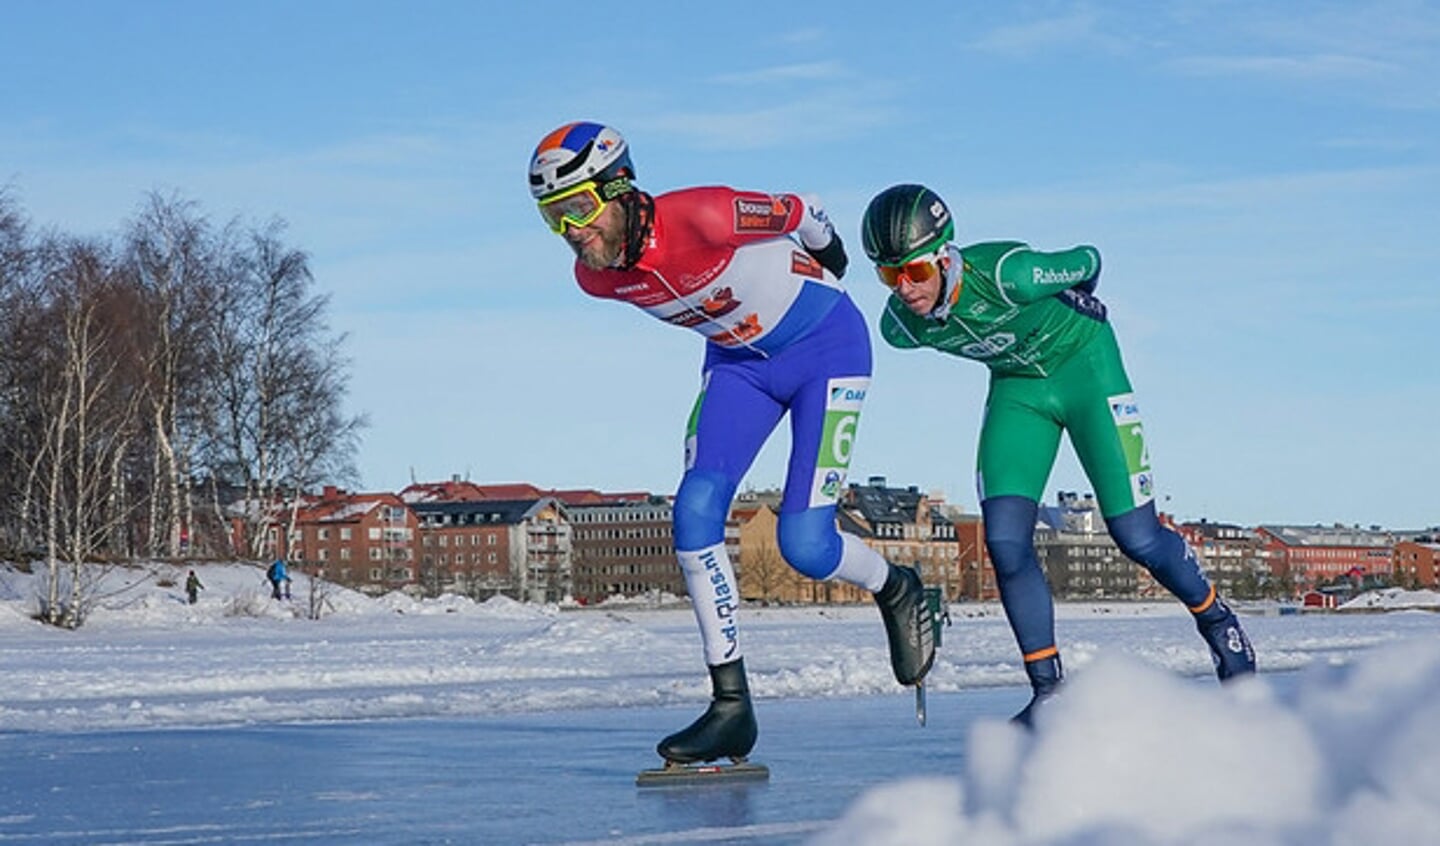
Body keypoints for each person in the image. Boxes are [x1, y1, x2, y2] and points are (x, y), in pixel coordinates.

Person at [529, 122, 935, 766]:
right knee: (691, 517)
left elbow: (803, 210)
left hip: (826, 351)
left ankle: (898, 587)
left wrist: (828, 258)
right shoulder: (595, 278)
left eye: (579, 207)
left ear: (622, 188)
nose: (573, 231)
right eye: (554, 217)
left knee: (805, 544)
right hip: (738, 369)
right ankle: (731, 708)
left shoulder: (708, 215)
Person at [858, 183, 1256, 726]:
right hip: (1021, 391)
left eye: (915, 272)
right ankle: (1049, 690)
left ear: (946, 255)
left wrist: (1083, 301)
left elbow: (1089, 260)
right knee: (1003, 541)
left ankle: (1218, 621)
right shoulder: (899, 328)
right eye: (888, 274)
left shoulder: (1009, 274)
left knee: (1135, 536)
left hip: (1088, 370)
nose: (904, 288)